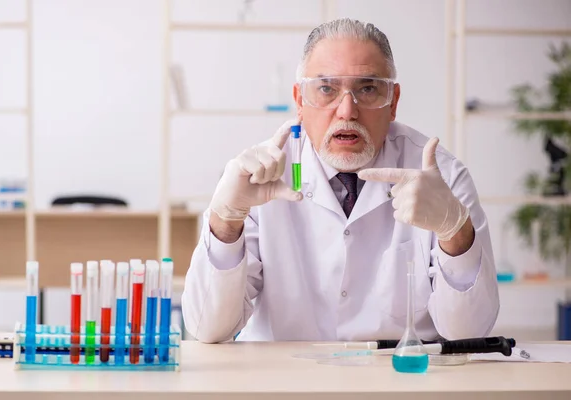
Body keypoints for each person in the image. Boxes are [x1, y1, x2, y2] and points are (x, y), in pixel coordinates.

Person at [181, 18, 499, 343]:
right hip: (282, 382)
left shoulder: (440, 176)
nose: (347, 110)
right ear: (299, 101)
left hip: (397, 383)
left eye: (367, 89)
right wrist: (225, 219)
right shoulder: (259, 176)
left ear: (394, 101)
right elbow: (207, 327)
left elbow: (469, 335)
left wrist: (454, 232)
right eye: (326, 89)